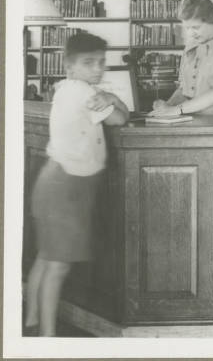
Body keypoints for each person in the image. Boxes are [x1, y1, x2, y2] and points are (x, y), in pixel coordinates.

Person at [25, 33, 130, 336]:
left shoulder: (67, 88)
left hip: (57, 182)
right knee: (57, 267)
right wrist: (114, 99)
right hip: (66, 189)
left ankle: (31, 320)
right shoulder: (84, 92)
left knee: (46, 259)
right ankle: (47, 339)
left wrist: (109, 98)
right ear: (69, 65)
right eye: (89, 63)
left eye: (100, 62)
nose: (97, 69)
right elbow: (120, 120)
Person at [149, 0, 213, 116]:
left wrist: (176, 110)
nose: (191, 33)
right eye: (187, 28)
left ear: (212, 20)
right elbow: (183, 89)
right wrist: (167, 106)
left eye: (195, 27)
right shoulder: (190, 47)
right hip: (190, 115)